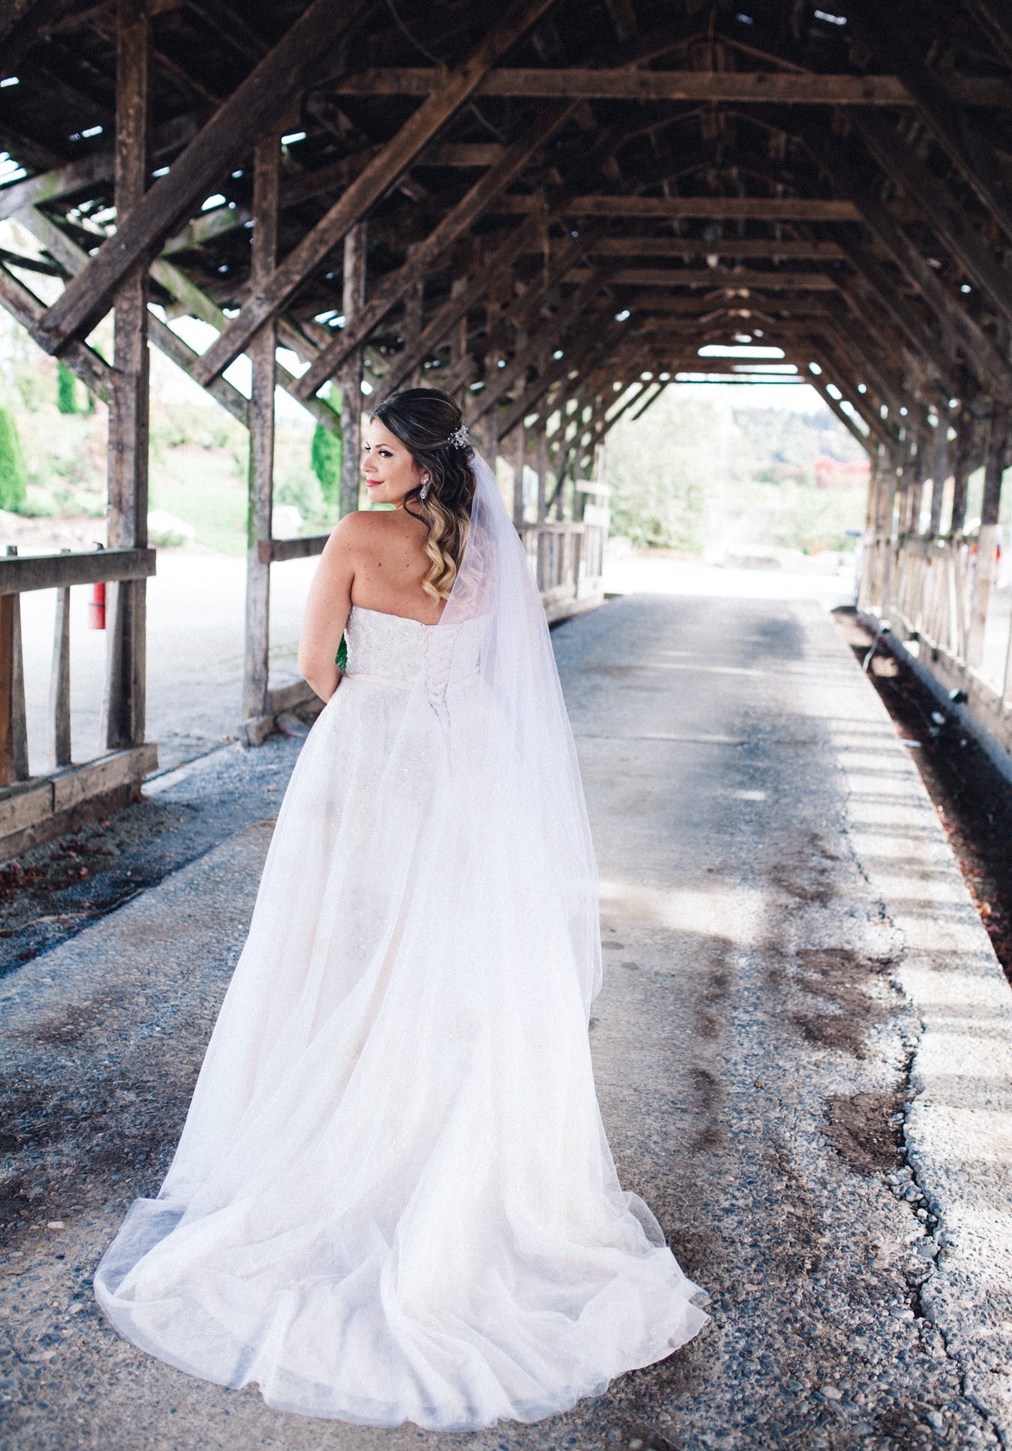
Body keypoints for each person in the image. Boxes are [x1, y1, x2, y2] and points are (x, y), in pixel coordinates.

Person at [94, 387, 708, 1429]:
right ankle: (434, 1123)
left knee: (341, 939)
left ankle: (345, 1116)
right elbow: (498, 673)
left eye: (382, 452)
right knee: (452, 949)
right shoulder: (480, 544)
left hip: (372, 753)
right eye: (364, 452)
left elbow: (311, 666)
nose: (366, 466)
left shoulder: (354, 536)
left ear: (422, 461)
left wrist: (372, 714)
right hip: (469, 764)